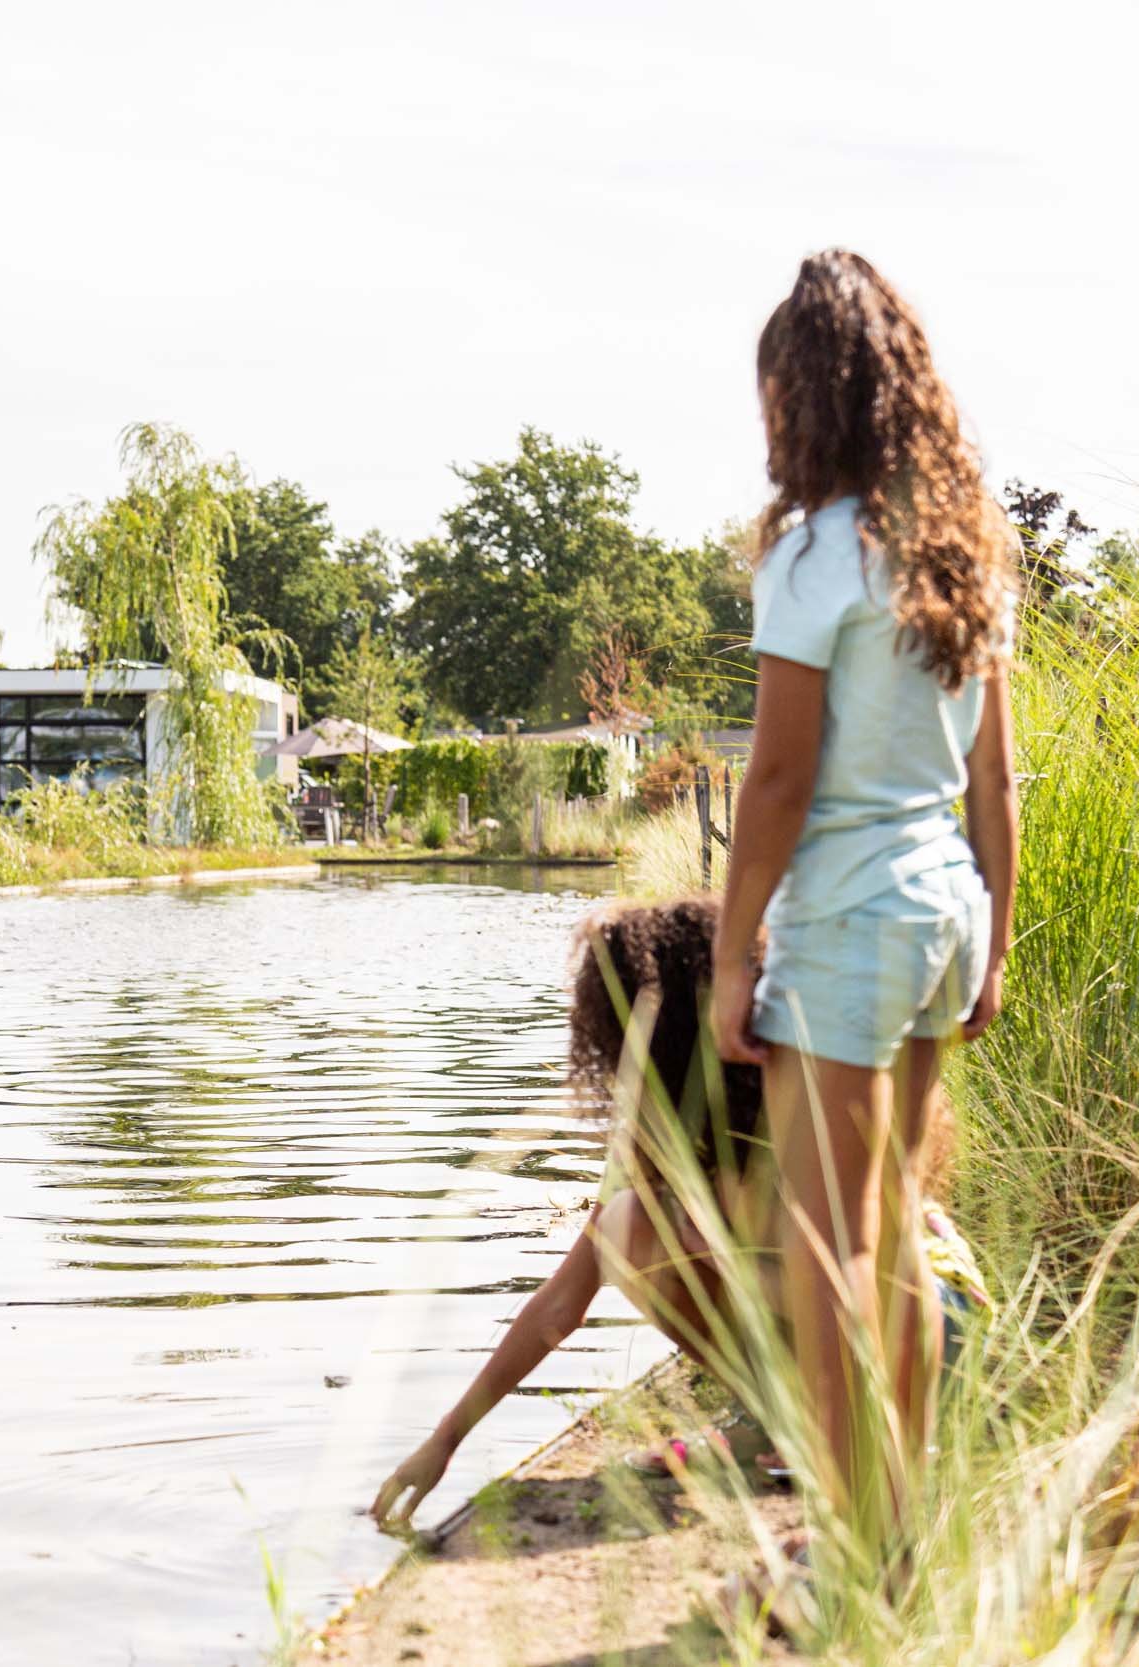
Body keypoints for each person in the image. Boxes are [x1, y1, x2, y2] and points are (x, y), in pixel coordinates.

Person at [708, 248, 1019, 1549]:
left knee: (828, 1253)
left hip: (846, 921)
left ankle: (858, 1552)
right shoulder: (967, 555)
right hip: (942, 907)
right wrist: (995, 935)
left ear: (805, 398)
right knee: (891, 1232)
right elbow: (997, 779)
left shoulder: (816, 557)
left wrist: (732, 958)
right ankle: (904, 1532)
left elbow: (775, 782)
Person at [368, 896, 992, 1530]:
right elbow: (560, 1306)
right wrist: (445, 1440)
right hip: (859, 1332)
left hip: (932, 1325)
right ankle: (795, 1420)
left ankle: (838, 1434)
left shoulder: (803, 1092)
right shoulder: (662, 1145)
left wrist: (714, 1251)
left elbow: (865, 1270)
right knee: (629, 1227)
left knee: (677, 1234)